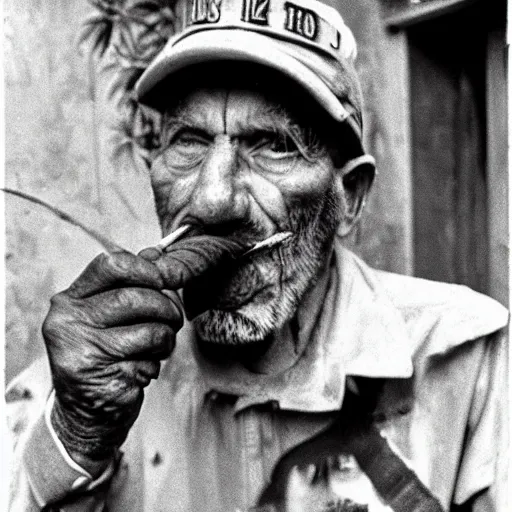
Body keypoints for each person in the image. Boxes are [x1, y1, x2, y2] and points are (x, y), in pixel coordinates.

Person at [6, 0, 508, 511]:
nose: (212, 198)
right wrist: (76, 437)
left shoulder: (468, 362)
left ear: (350, 195)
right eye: (190, 140)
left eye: (272, 144)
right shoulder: (80, 387)